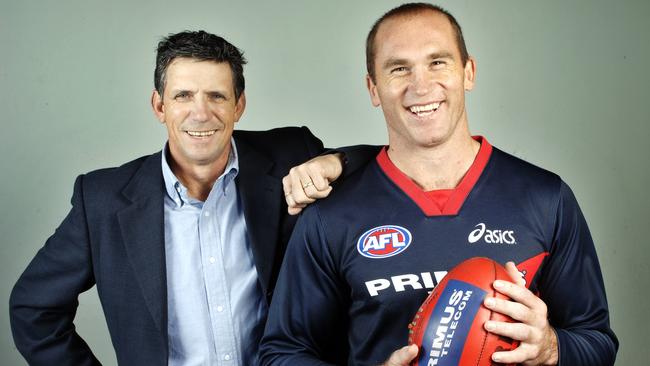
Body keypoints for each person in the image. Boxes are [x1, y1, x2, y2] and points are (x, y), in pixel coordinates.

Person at [260, 3, 618, 366]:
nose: (422, 85)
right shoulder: (331, 215)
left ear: (468, 72)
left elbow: (597, 343)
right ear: (373, 88)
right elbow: (281, 353)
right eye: (399, 69)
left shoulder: (545, 198)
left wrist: (550, 347)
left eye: (438, 62)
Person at [9, 30, 374, 365]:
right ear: (159, 106)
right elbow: (33, 308)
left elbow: (379, 162)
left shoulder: (289, 153)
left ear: (239, 105)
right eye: (183, 96)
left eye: (217, 96)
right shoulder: (104, 200)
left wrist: (335, 160)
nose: (201, 113)